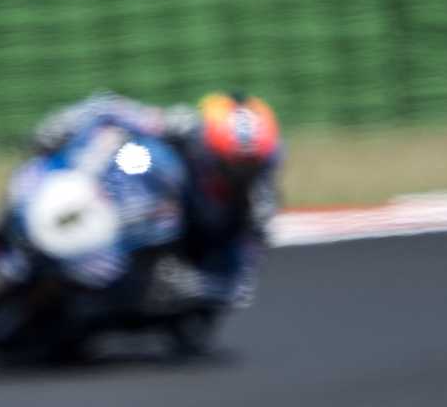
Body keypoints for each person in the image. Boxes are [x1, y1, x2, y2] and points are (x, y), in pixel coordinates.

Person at [24, 90, 282, 352]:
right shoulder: (183, 127)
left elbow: (239, 286)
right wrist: (64, 124)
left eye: (249, 166)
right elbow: (110, 107)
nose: (239, 174)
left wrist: (195, 285)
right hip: (138, 218)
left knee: (191, 330)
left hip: (181, 267)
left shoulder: (258, 206)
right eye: (231, 164)